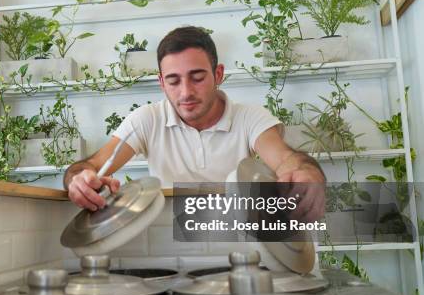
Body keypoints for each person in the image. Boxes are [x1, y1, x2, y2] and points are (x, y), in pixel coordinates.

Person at [63, 26, 325, 222]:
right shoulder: (147, 119)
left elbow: (286, 159)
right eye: (174, 81)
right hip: (169, 247)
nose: (185, 92)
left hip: (235, 245)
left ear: (218, 74)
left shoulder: (250, 118)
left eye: (197, 77)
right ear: (162, 82)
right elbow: (91, 166)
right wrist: (78, 180)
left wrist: (306, 173)